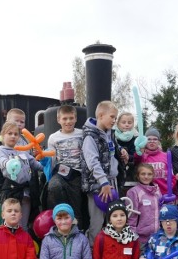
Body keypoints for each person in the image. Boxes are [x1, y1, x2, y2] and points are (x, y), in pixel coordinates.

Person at [80, 100, 129, 245]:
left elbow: (112, 149)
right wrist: (104, 182)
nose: (114, 121)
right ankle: (92, 254)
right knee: (97, 221)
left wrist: (122, 151)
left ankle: (110, 252)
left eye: (115, 118)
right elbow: (92, 162)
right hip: (99, 185)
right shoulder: (90, 136)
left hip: (111, 182)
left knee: (112, 220)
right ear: (101, 115)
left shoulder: (109, 133)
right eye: (112, 117)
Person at [0, 121, 43, 230]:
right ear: (3, 135)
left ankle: (22, 245)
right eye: (9, 133)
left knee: (24, 225)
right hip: (11, 192)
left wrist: (47, 164)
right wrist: (8, 163)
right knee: (10, 224)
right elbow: (2, 161)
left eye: (16, 134)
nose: (13, 136)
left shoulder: (23, 151)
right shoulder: (0, 151)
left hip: (26, 193)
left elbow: (36, 164)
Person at [126, 163, 161, 259]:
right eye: (143, 174)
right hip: (141, 238)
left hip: (156, 238)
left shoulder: (157, 191)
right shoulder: (134, 192)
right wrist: (134, 236)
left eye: (149, 174)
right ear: (138, 176)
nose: (146, 177)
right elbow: (132, 217)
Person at [45, 105, 85, 227]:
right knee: (54, 186)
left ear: (75, 118)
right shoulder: (53, 137)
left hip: (77, 174)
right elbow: (52, 158)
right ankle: (59, 217)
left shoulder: (82, 134)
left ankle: (78, 229)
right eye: (65, 118)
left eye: (71, 118)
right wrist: (48, 175)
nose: (68, 121)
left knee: (77, 205)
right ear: (59, 120)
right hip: (61, 173)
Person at [133, 127, 178, 199]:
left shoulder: (166, 155)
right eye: (149, 139)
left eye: (155, 139)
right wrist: (139, 152)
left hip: (165, 194)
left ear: (159, 141)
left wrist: (172, 190)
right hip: (147, 194)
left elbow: (172, 174)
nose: (152, 141)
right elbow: (136, 160)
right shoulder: (142, 156)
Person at [114, 111, 137, 187]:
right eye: (123, 122)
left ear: (133, 124)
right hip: (115, 168)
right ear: (118, 124)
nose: (126, 125)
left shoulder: (135, 138)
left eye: (129, 122)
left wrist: (128, 157)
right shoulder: (112, 136)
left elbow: (136, 154)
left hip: (129, 169)